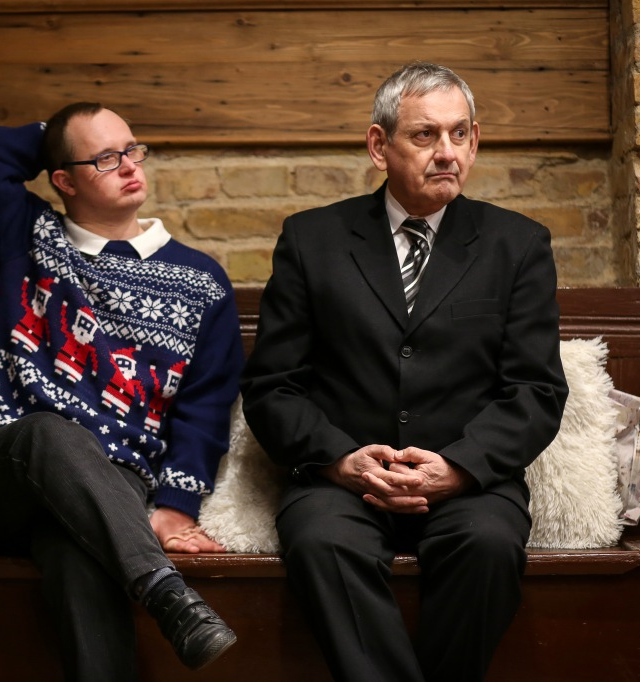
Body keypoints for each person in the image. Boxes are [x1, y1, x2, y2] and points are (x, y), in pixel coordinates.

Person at [240, 62, 569, 682]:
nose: (447, 152)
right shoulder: (312, 240)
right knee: (320, 543)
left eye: (459, 134)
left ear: (475, 140)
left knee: (490, 545)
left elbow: (536, 389)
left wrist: (459, 468)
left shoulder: (517, 244)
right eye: (425, 135)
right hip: (341, 481)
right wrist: (340, 460)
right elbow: (271, 387)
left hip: (470, 483)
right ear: (378, 145)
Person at [0, 102, 243, 680]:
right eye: (105, 159)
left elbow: (204, 407)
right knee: (50, 433)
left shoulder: (201, 281)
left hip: (111, 485)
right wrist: (60, 136)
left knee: (76, 548)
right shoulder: (26, 235)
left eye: (132, 150)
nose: (129, 166)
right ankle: (165, 591)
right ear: (63, 180)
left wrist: (175, 506)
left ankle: (158, 595)